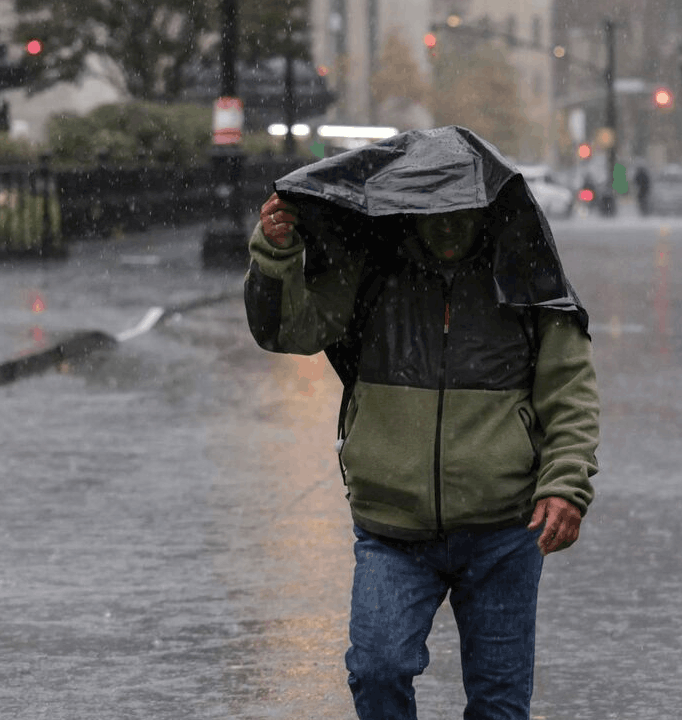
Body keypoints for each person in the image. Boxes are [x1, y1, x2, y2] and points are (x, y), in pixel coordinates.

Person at [244, 126, 600, 720]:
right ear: (406, 212)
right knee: (377, 671)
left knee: (499, 703)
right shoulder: (371, 273)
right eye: (432, 213)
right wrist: (277, 253)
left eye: (461, 212)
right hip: (392, 528)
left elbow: (570, 392)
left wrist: (566, 485)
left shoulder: (526, 280)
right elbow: (288, 330)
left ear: (486, 210)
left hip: (504, 530)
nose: (448, 228)